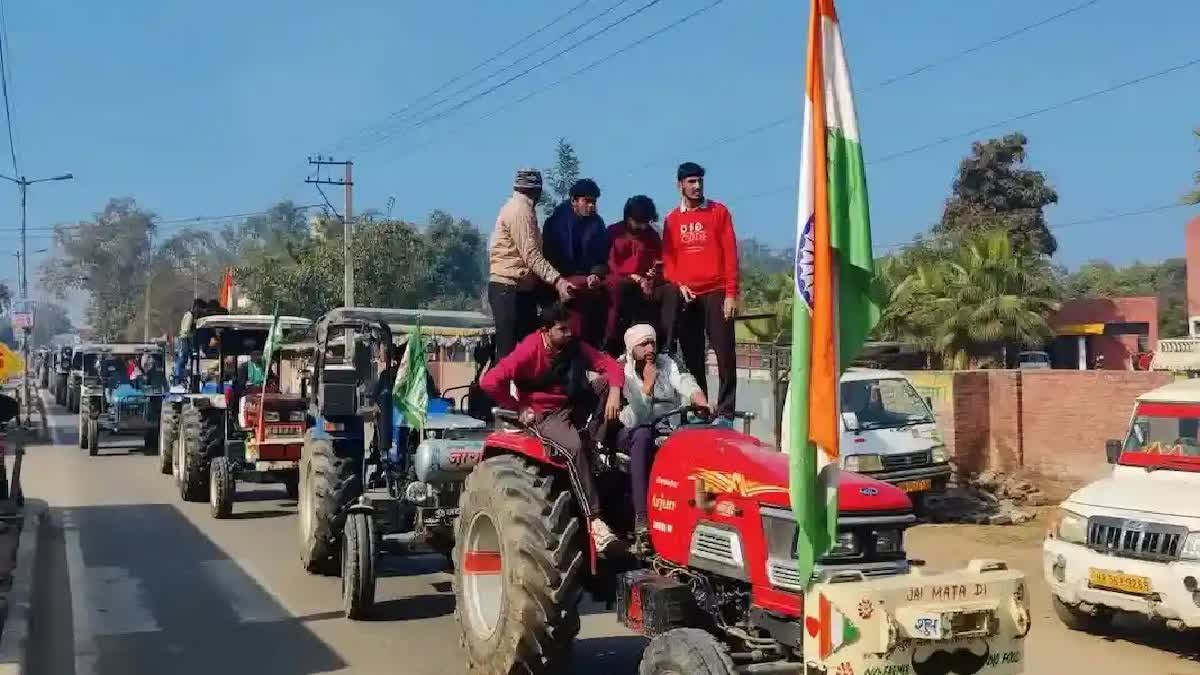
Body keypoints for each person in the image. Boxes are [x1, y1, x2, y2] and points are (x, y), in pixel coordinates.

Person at [478, 303, 626, 555]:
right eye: (562, 330)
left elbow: (610, 366)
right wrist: (518, 406)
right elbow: (490, 382)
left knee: (613, 385)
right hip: (546, 414)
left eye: (570, 329)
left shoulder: (574, 345)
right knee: (573, 448)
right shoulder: (527, 351)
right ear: (546, 331)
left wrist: (614, 390)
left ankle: (595, 442)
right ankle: (595, 521)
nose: (569, 334)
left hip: (573, 403)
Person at [661, 161, 739, 419]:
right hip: (688, 296)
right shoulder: (672, 219)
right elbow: (668, 262)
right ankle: (701, 408)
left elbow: (730, 254)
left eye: (699, 181)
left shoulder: (719, 212)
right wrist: (678, 284)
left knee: (725, 353)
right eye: (691, 182)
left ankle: (726, 409)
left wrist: (731, 293)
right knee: (693, 356)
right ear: (679, 185)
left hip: (716, 291)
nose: (697, 186)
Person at [616, 324, 708, 536]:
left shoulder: (667, 363)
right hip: (630, 431)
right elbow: (633, 417)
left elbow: (685, 381)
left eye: (652, 343)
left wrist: (699, 399)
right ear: (631, 349)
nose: (650, 349)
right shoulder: (624, 372)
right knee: (643, 435)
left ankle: (699, 510)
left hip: (667, 426)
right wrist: (648, 385)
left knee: (699, 435)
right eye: (643, 344)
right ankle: (641, 516)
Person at [488, 168, 574, 361]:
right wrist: (558, 281)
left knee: (530, 347)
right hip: (507, 288)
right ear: (538, 191)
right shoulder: (520, 211)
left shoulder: (520, 208)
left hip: (519, 289)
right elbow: (532, 256)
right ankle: (495, 389)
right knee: (508, 353)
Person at [542, 178, 609, 346]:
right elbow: (551, 257)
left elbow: (602, 256)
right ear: (574, 201)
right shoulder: (556, 222)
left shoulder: (598, 223)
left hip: (589, 279)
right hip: (559, 280)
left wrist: (595, 274)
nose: (591, 206)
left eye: (594, 202)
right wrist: (572, 279)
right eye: (587, 201)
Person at [604, 195, 670, 354]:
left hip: (645, 283)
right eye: (638, 222)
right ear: (628, 217)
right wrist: (633, 277)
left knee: (670, 291)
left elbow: (659, 262)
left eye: (645, 223)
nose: (642, 227)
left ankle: (666, 346)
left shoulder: (651, 235)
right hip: (619, 280)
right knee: (619, 287)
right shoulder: (613, 232)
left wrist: (653, 276)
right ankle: (610, 342)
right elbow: (609, 264)